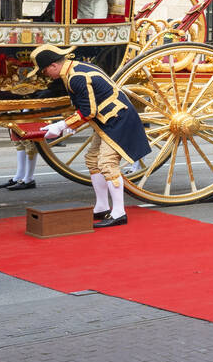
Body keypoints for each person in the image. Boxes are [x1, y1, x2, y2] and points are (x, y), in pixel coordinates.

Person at [35, 43, 154, 230]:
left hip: (117, 119)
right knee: (92, 160)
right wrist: (69, 125)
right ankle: (102, 206)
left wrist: (62, 125)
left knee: (107, 163)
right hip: (106, 119)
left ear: (53, 66)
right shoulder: (74, 70)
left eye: (44, 71)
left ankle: (119, 212)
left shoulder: (76, 77)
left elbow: (88, 111)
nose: (46, 75)